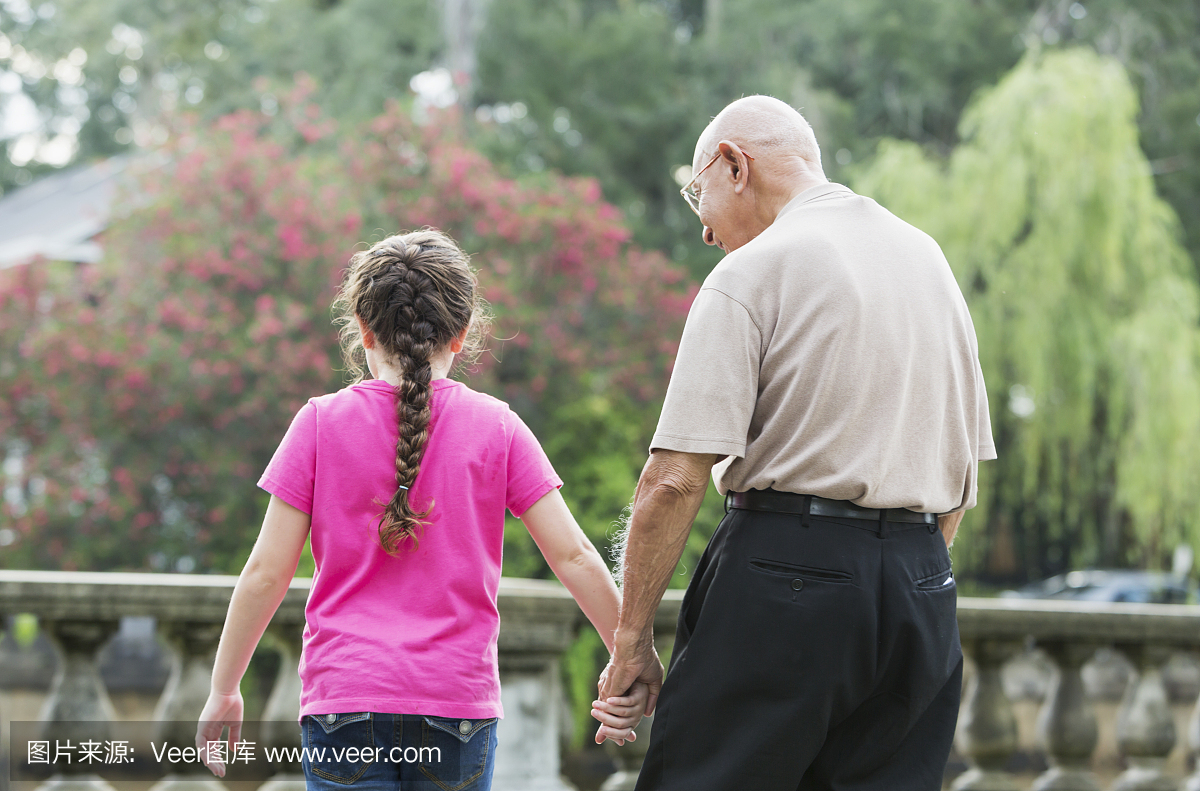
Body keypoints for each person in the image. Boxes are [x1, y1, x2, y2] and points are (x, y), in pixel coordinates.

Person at [596, 96, 996, 790]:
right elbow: (962, 475)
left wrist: (632, 642)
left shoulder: (754, 270)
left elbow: (674, 480)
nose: (706, 233)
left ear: (734, 165)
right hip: (922, 584)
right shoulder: (928, 259)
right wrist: (900, 570)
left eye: (699, 195)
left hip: (785, 578)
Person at [194, 229, 645, 790]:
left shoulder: (318, 423)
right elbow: (574, 555)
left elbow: (266, 572)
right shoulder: (498, 427)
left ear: (362, 330)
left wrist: (224, 688)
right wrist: (630, 657)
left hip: (344, 700)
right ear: (460, 335)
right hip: (455, 705)